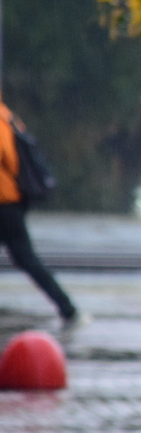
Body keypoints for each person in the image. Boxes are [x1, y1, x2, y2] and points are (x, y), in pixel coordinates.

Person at [0, 96, 83, 332]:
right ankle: (68, 309)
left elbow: (8, 159)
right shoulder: (6, 114)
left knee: (26, 257)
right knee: (25, 257)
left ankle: (68, 309)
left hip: (4, 203)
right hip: (9, 201)